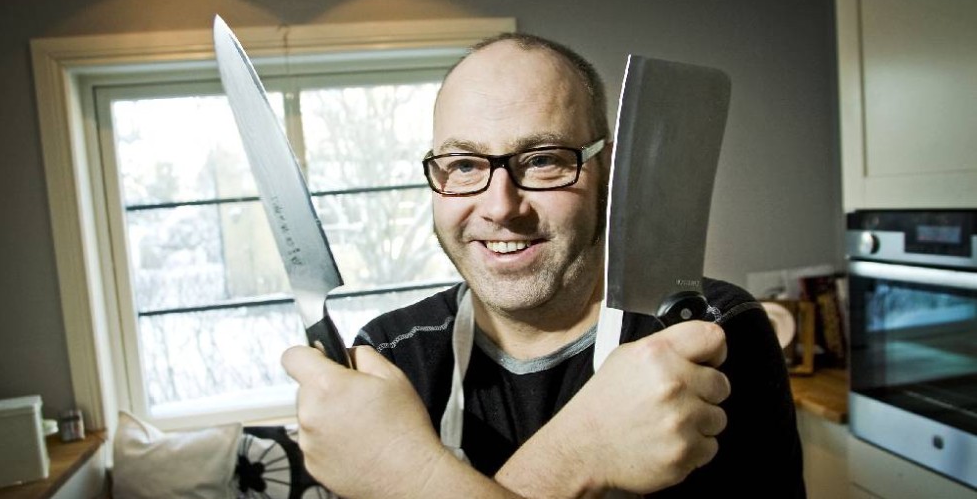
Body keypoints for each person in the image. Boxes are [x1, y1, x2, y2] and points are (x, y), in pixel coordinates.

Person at [282, 33, 805, 498]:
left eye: (542, 159)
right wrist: (581, 452)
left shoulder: (705, 331)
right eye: (463, 165)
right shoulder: (391, 357)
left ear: (610, 171)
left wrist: (407, 477)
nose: (500, 207)